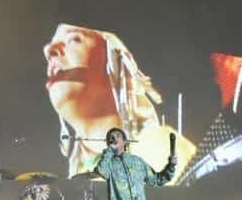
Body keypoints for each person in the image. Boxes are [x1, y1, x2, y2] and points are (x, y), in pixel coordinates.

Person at [43, 23, 195, 183]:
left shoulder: (162, 151)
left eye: (74, 39)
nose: (48, 50)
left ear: (114, 62)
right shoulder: (77, 178)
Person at [93, 127, 177, 200]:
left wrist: (171, 167)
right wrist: (109, 151)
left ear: (125, 142)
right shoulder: (109, 163)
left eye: (117, 135)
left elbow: (157, 180)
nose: (113, 137)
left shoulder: (137, 162)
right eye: (110, 137)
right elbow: (101, 171)